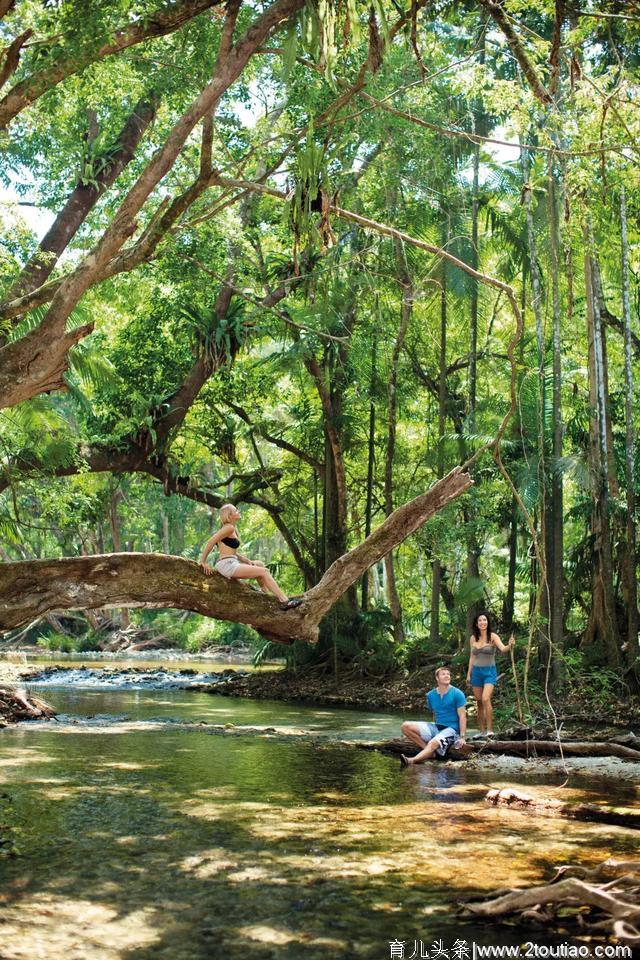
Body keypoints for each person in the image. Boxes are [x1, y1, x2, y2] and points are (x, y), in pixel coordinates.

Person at [200, 503, 302, 610]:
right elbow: (211, 541)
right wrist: (203, 561)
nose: (238, 511)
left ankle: (265, 595)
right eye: (236, 511)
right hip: (227, 565)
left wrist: (244, 559)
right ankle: (285, 601)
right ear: (230, 516)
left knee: (259, 564)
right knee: (264, 571)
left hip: (232, 561)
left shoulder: (232, 528)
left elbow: (226, 549)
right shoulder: (228, 528)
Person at [400, 666, 466, 765]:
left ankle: (411, 760)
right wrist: (434, 730)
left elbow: (462, 716)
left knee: (433, 743)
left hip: (452, 730)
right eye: (443, 674)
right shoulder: (431, 695)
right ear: (437, 678)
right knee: (405, 726)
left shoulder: (457, 693)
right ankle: (429, 752)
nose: (447, 676)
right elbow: (435, 713)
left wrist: (462, 737)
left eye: (448, 674)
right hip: (436, 727)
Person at [466, 611, 514, 739]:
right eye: (480, 620)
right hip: (476, 673)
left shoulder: (492, 636)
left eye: (485, 620)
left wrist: (510, 645)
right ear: (476, 624)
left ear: (488, 622)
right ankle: (481, 732)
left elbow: (503, 649)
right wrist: (468, 674)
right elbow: (472, 657)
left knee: (486, 698)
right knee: (479, 702)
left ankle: (489, 730)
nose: (482, 622)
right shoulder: (473, 638)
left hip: (489, 672)